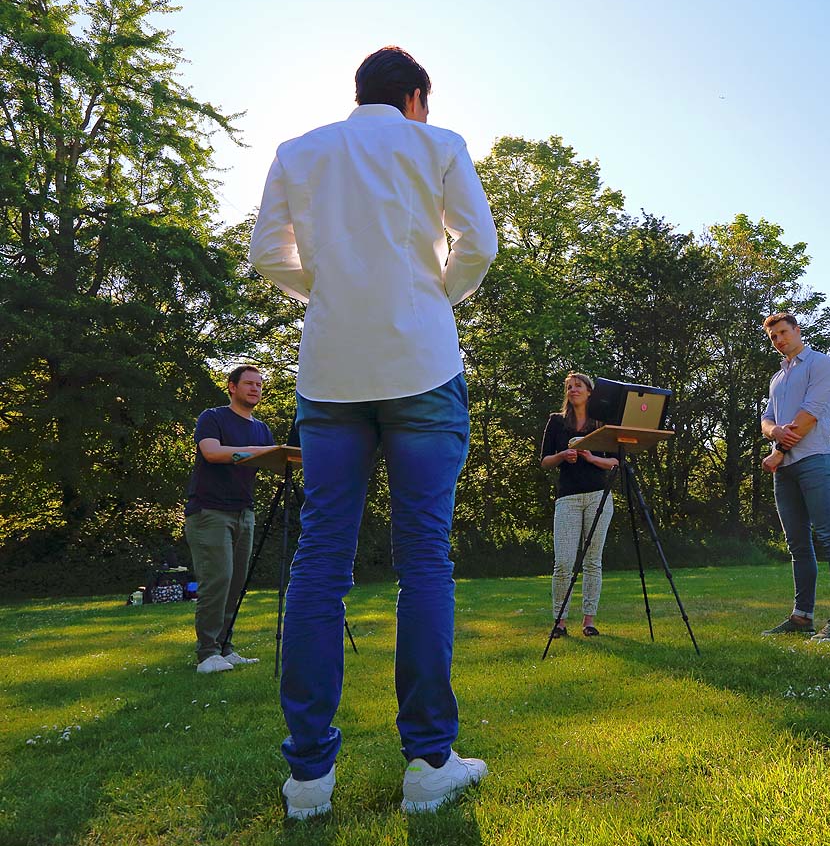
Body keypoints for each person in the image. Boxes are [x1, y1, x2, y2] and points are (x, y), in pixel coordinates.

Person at [248, 46, 498, 819]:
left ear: (358, 95)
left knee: (320, 561)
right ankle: (427, 763)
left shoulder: (299, 151)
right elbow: (479, 246)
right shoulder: (440, 144)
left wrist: (329, 290)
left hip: (329, 375)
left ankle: (308, 781)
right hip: (421, 364)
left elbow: (266, 255)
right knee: (425, 556)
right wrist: (431, 293)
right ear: (416, 97)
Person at [758, 313, 830, 642]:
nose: (779, 340)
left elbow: (811, 414)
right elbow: (767, 421)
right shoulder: (777, 378)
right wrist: (774, 433)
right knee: (797, 545)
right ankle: (802, 617)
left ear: (797, 331)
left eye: (783, 332)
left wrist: (778, 450)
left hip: (815, 460)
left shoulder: (821, 364)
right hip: (785, 473)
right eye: (773, 337)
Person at [183, 365, 277, 674]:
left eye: (259, 385)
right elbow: (211, 453)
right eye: (249, 383)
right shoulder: (213, 418)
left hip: (244, 512)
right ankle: (207, 654)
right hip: (209, 512)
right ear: (232, 387)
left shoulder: (261, 429)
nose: (255, 389)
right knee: (218, 580)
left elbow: (274, 463)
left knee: (236, 584)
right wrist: (251, 452)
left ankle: (225, 648)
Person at [539, 373, 619, 638]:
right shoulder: (556, 422)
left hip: (598, 496)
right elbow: (545, 461)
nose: (573, 390)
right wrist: (563, 455)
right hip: (568, 498)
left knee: (592, 562)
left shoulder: (602, 424)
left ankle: (589, 621)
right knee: (563, 562)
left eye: (579, 386)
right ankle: (559, 622)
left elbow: (616, 462)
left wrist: (592, 458)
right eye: (569, 387)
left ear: (589, 392)